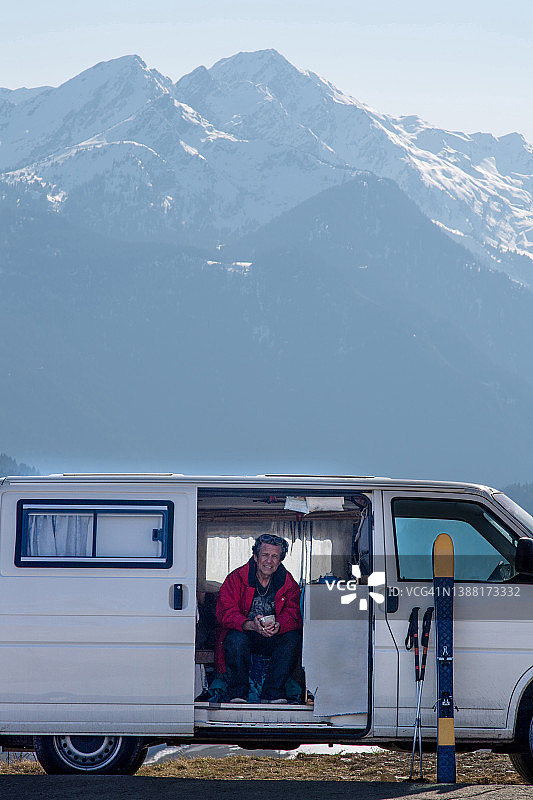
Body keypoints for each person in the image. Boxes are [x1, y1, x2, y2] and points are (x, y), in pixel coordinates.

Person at [215, 533, 302, 703]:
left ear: (280, 560)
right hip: (245, 632)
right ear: (255, 556)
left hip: (272, 634)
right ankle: (238, 694)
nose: (269, 561)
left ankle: (273, 694)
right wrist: (248, 624)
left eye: (275, 556)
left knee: (292, 638)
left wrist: (279, 625)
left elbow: (294, 612)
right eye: (265, 555)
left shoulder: (288, 581)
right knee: (235, 640)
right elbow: (224, 612)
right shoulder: (236, 578)